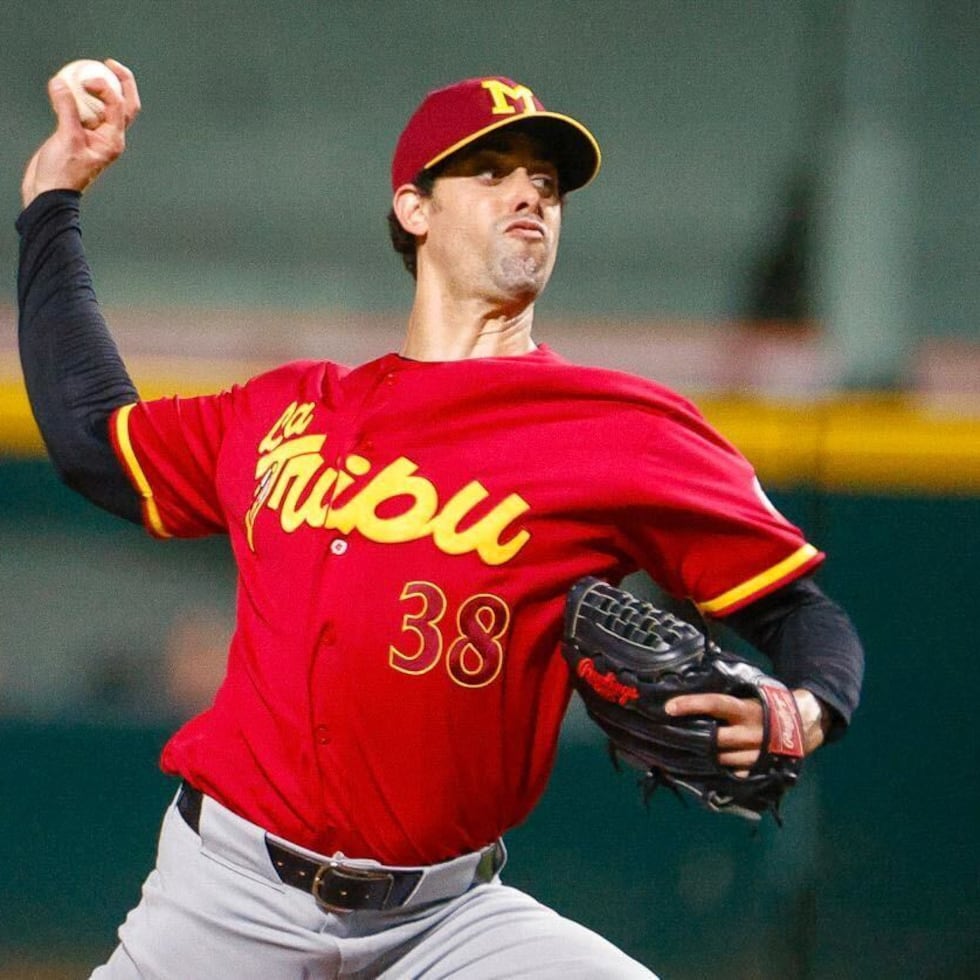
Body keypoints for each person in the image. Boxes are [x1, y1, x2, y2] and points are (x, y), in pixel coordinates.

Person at [17, 62, 864, 979]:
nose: (529, 196)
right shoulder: (288, 411)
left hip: (447, 923)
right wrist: (52, 200)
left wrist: (806, 708)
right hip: (227, 901)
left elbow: (801, 613)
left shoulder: (622, 429)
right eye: (492, 172)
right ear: (414, 209)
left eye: (547, 183)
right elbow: (94, 441)